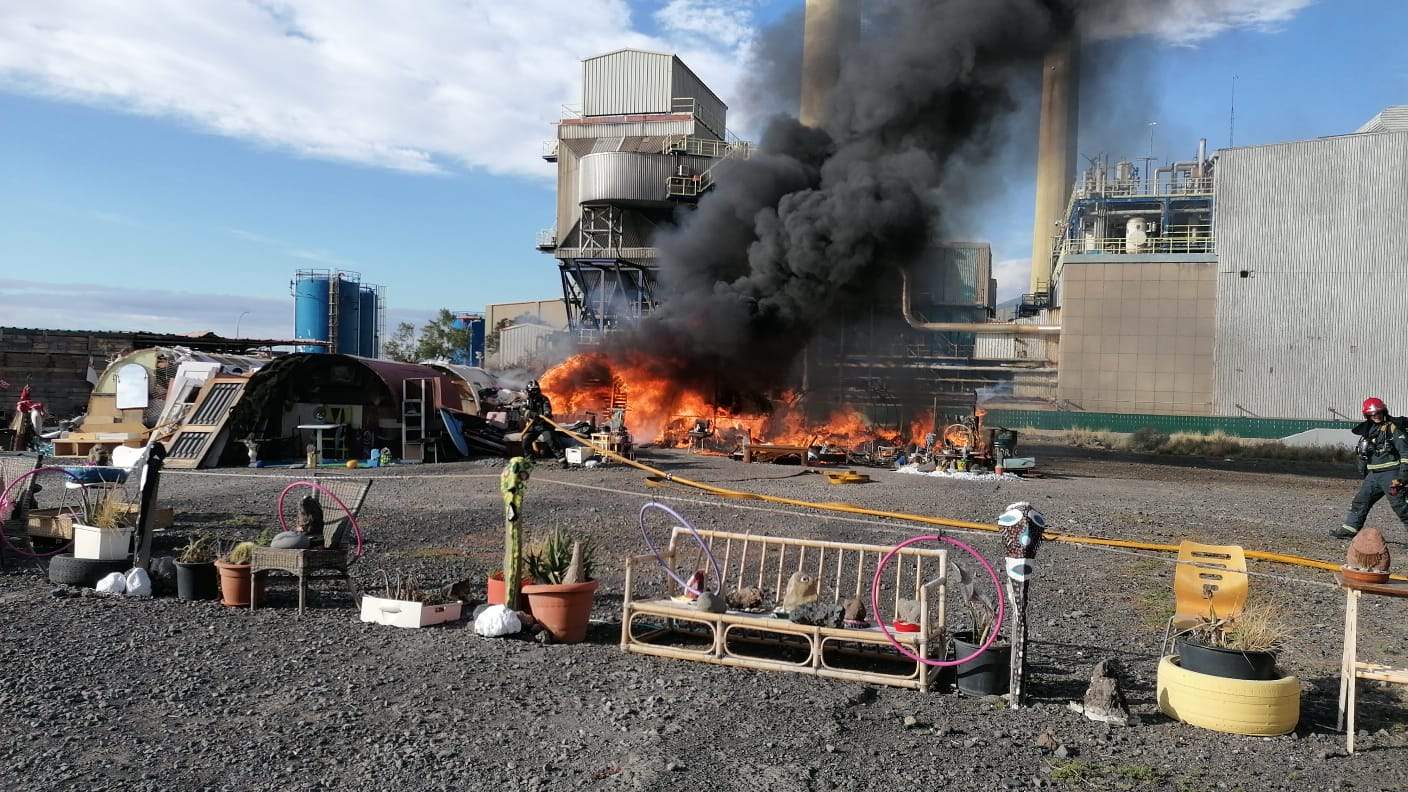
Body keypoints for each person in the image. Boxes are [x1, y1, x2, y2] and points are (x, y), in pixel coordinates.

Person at [1333, 397, 1408, 539]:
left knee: (1401, 506)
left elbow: (1405, 453)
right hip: (1374, 475)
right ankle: (1349, 530)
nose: (1377, 416)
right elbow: (1363, 453)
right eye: (1373, 414)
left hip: (1391, 474)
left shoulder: (1393, 428)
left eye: (1379, 413)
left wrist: (1402, 477)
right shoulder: (1369, 430)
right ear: (1367, 416)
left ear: (1384, 411)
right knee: (1361, 501)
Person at [522, 380, 562, 460]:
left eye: (535, 390)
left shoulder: (544, 399)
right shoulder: (526, 400)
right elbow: (524, 411)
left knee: (551, 440)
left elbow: (547, 410)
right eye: (532, 390)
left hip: (545, 425)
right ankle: (529, 459)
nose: (534, 392)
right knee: (526, 441)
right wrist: (532, 414)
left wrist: (545, 414)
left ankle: (561, 459)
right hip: (533, 426)